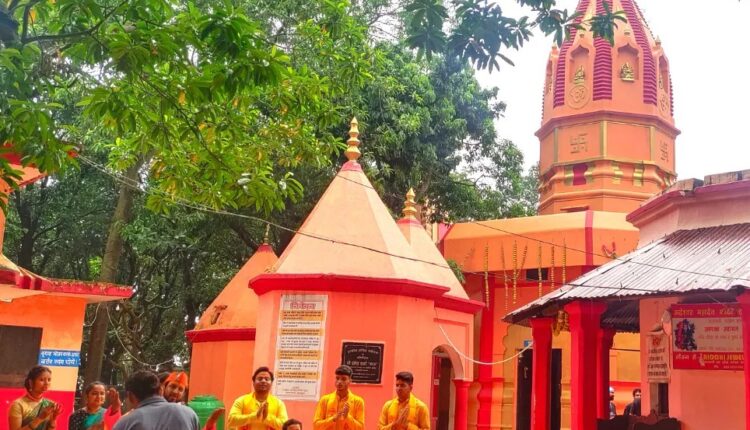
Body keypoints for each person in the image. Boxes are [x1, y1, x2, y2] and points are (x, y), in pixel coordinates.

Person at [112, 370, 199, 430]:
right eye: (172, 387)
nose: (175, 392)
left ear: (130, 396)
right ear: (161, 389)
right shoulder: (190, 414)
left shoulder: (127, 422)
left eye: (180, 389)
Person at [8, 365, 63, 430]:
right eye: (42, 380)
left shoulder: (49, 405)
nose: (46, 383)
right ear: (31, 382)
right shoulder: (18, 405)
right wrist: (40, 418)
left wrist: (53, 418)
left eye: (49, 380)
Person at [313, 365, 364, 430]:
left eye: (343, 379)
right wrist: (333, 419)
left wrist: (347, 417)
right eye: (337, 378)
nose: (339, 382)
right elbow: (316, 426)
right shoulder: (324, 400)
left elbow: (360, 428)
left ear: (350, 380)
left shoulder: (358, 402)